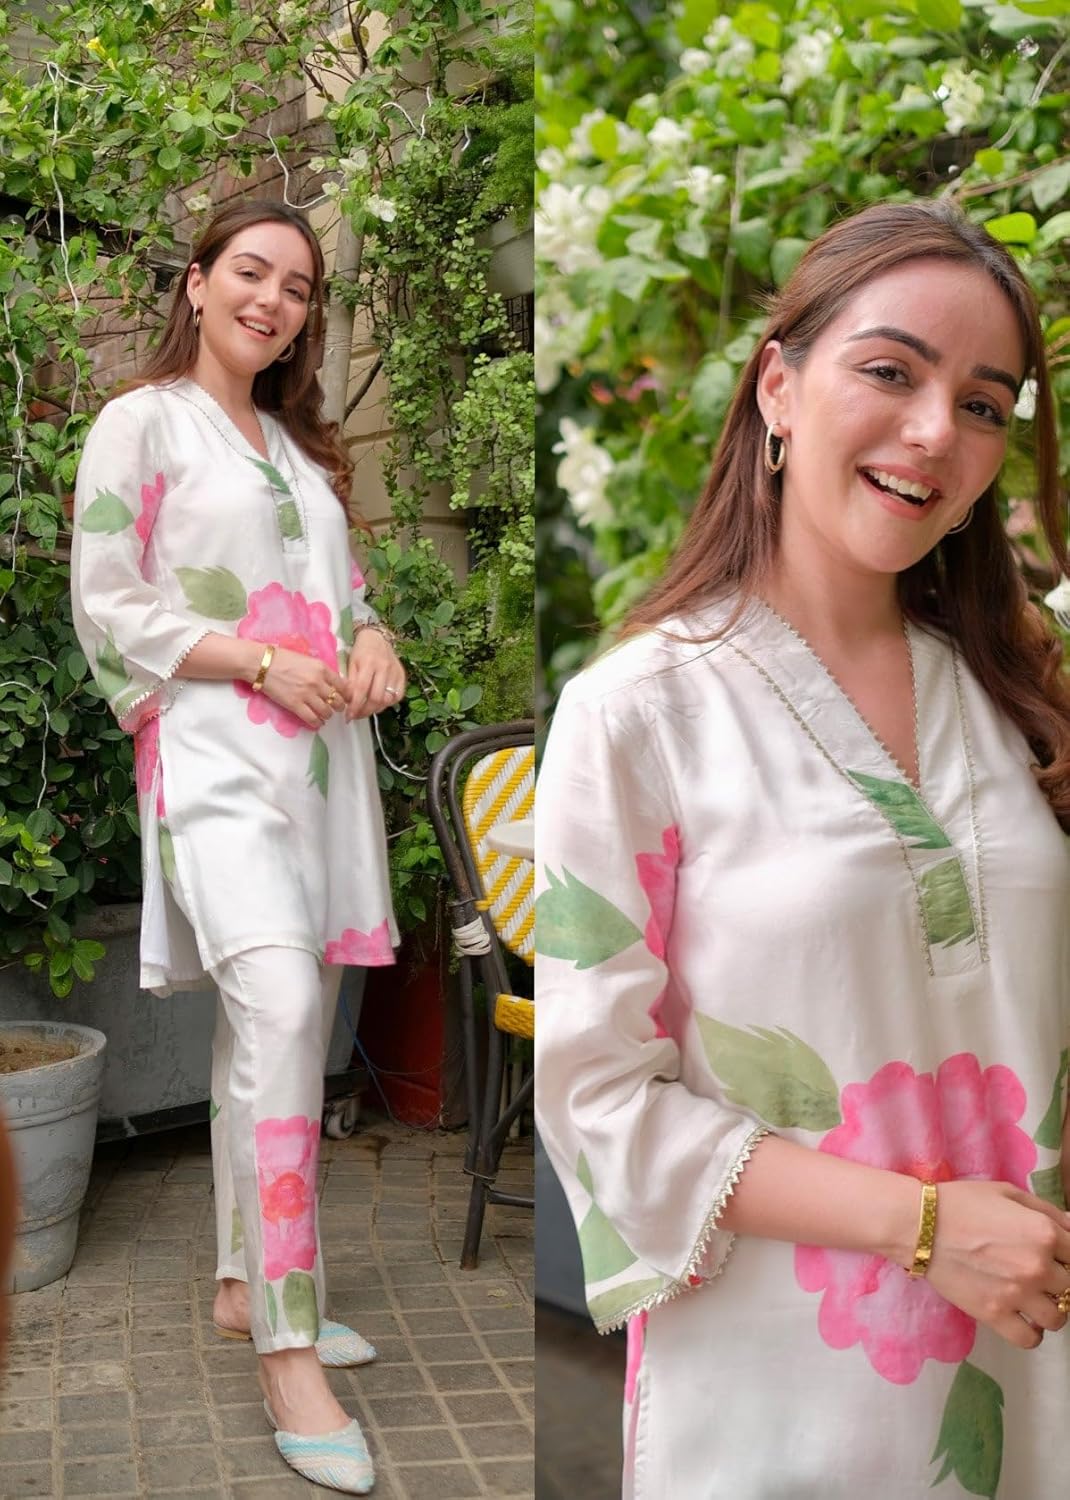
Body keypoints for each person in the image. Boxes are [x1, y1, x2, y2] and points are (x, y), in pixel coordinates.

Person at [535, 198, 1070, 1498]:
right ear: (777, 387)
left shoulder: (1011, 698)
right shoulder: (637, 714)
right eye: (890, 372)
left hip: (1037, 1364)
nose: (935, 431)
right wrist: (925, 1227)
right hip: (785, 1398)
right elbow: (593, 1097)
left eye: (984, 404)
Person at [71, 199, 406, 1494]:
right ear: (199, 283)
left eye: (298, 287)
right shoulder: (140, 422)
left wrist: (371, 641)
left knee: (271, 1026)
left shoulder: (301, 451)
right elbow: (109, 602)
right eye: (251, 273)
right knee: (277, 1005)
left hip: (318, 773)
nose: (273, 300)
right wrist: (260, 661)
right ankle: (286, 1348)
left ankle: (237, 1280)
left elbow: (347, 598)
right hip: (213, 761)